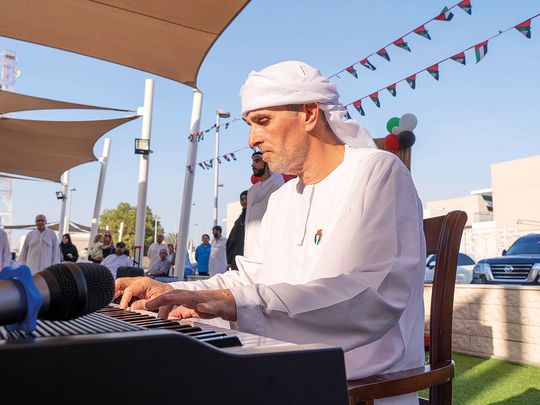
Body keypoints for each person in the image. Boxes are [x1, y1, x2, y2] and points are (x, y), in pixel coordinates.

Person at [115, 61, 425, 405]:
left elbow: (372, 295)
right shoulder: (281, 199)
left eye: (262, 121)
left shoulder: (378, 171)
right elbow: (247, 282)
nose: (252, 139)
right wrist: (173, 290)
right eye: (249, 124)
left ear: (309, 113)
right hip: (279, 367)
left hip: (360, 383)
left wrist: (235, 304)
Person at [244, 151, 284, 258]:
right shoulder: (252, 191)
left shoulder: (278, 185)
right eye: (253, 161)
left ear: (267, 163)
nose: (253, 165)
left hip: (269, 245)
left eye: (257, 161)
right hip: (250, 245)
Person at [226, 190, 248, 270]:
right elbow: (231, 241)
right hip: (237, 259)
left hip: (249, 257)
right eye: (242, 199)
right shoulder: (239, 221)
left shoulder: (255, 216)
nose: (244, 201)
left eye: (246, 198)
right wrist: (229, 261)